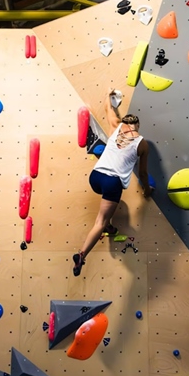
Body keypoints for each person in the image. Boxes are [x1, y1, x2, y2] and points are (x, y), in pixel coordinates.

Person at [73, 88, 153, 276]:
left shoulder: (115, 125)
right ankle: (81, 255)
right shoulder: (142, 143)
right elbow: (142, 173)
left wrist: (108, 95)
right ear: (137, 126)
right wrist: (147, 190)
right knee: (98, 222)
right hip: (112, 182)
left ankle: (109, 226)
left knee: (106, 212)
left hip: (96, 177)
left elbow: (109, 108)